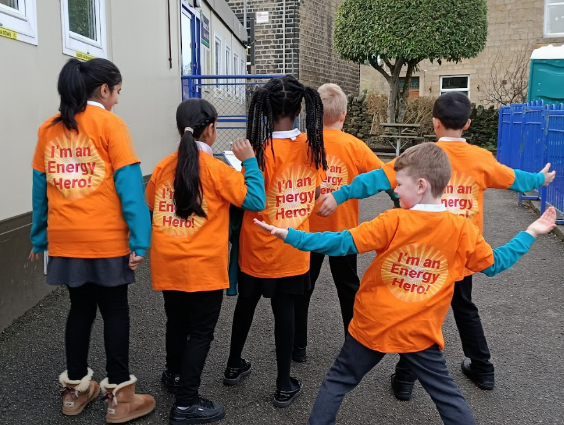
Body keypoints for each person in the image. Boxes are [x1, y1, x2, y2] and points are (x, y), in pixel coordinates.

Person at [255, 142, 557, 425]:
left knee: (336, 382)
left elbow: (340, 242)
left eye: (400, 184)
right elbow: (495, 263)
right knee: (448, 398)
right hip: (420, 331)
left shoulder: (393, 220)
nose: (395, 190)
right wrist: (530, 231)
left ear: (421, 185)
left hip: (374, 325)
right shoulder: (461, 229)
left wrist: (290, 235)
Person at [316, 92, 556, 394]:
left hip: (421, 250)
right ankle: (483, 369)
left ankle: (405, 381)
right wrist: (539, 178)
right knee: (464, 307)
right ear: (467, 124)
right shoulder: (481, 159)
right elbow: (515, 179)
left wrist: (339, 195)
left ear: (434, 123)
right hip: (462, 249)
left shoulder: (418, 157)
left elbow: (376, 178)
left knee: (417, 309)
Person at [29, 58, 155, 423]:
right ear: (104, 90)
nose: (118, 99)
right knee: (115, 311)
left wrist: (40, 238)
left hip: (65, 240)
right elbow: (130, 188)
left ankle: (75, 393)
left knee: (79, 309)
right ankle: (120, 398)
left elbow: (40, 189)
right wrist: (140, 240)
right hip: (106, 240)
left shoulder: (48, 129)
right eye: (117, 92)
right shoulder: (112, 125)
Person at [146, 99, 265, 425]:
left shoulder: (162, 167)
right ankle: (186, 403)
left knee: (177, 322)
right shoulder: (217, 171)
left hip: (168, 263)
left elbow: (151, 206)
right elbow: (255, 200)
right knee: (200, 333)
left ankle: (174, 375)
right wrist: (251, 163)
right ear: (211, 130)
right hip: (202, 268)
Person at [223, 75, 326, 408]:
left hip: (256, 249)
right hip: (293, 250)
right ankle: (283, 384)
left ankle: (233, 364)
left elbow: (244, 196)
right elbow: (316, 190)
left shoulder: (256, 151)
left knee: (246, 306)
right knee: (286, 314)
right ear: (300, 109)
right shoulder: (313, 146)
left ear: (264, 112)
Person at [293, 83, 392, 363]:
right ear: (344, 115)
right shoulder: (354, 145)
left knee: (302, 289)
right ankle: (352, 342)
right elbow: (384, 176)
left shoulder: (302, 142)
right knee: (348, 288)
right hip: (344, 233)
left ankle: (297, 346)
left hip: (306, 231)